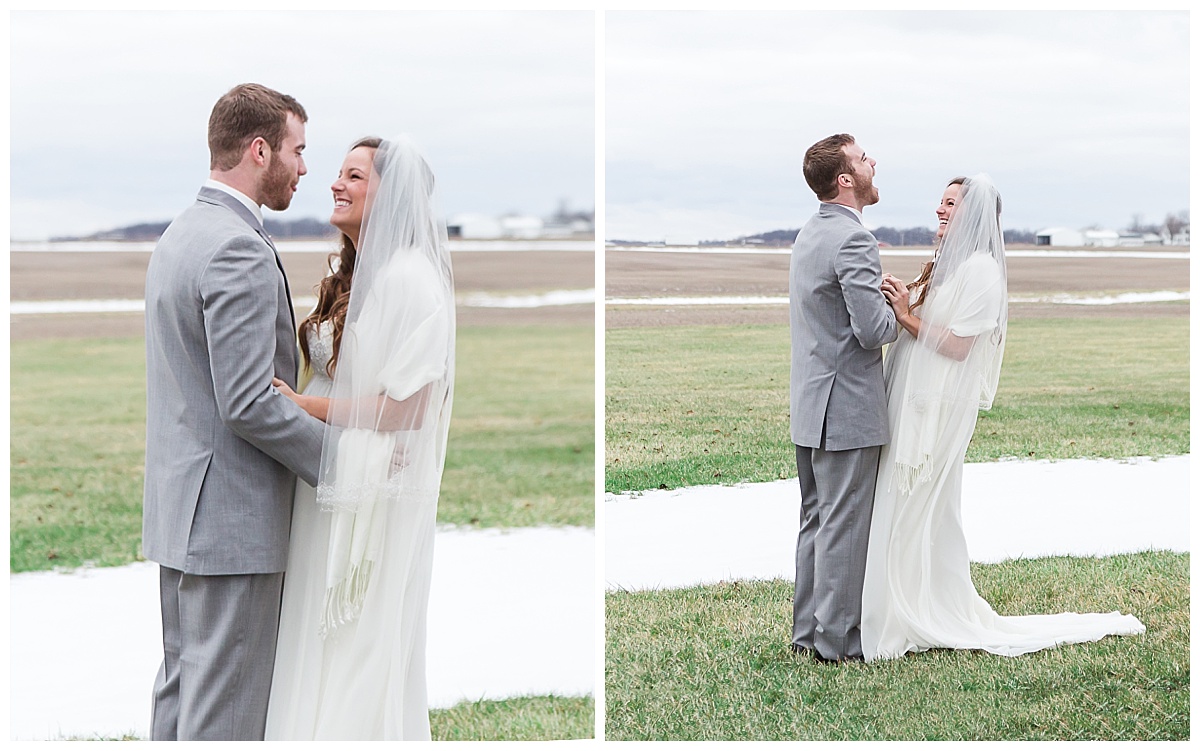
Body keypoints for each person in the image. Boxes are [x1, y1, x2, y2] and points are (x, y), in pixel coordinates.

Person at [861, 174, 1145, 661]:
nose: (939, 210)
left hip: (937, 407)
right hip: (913, 398)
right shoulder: (949, 266)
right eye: (941, 202)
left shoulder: (983, 273)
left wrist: (906, 314)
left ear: (971, 214)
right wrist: (902, 296)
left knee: (919, 505)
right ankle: (892, 602)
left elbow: (955, 345)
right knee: (903, 503)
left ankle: (910, 610)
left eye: (950, 203)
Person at [142, 83, 325, 740]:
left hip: (180, 515)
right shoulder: (238, 246)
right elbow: (249, 400)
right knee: (226, 716)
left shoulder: (180, 235)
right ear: (259, 150)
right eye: (297, 150)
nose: (305, 168)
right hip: (232, 524)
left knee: (182, 693)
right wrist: (342, 464)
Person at [264, 135, 455, 740]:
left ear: (391, 195)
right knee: (315, 634)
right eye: (339, 173)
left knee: (356, 639)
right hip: (331, 473)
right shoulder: (351, 273)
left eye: (354, 176)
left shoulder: (411, 282)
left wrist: (304, 406)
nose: (335, 184)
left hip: (371, 492)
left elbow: (408, 409)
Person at [788, 134, 899, 663]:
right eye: (862, 158)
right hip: (847, 406)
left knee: (816, 519)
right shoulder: (855, 241)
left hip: (811, 405)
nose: (872, 161)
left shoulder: (809, 234)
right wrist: (897, 305)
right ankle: (837, 642)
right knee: (845, 525)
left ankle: (808, 635)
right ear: (846, 180)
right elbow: (872, 332)